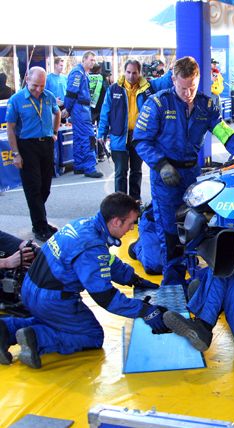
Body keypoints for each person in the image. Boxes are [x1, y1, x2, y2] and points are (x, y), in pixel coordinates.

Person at [133, 56, 234, 286]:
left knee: (193, 224)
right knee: (169, 230)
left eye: (192, 87)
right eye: (183, 88)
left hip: (191, 174)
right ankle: (172, 282)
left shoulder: (207, 105)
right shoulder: (158, 104)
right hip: (165, 176)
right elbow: (141, 140)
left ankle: (187, 266)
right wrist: (161, 165)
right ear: (173, 79)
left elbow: (223, 132)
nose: (188, 94)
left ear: (198, 79)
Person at [0, 193, 168, 369]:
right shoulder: (92, 248)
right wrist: (145, 311)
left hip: (29, 288)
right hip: (52, 300)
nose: (131, 228)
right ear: (116, 222)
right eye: (131, 223)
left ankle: (6, 329)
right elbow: (106, 298)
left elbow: (107, 260)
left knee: (58, 323)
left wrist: (132, 278)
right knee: (91, 335)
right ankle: (36, 338)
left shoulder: (84, 225)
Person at [98, 59, 173, 202]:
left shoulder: (149, 87)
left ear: (140, 73)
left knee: (136, 171)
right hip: (119, 137)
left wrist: (173, 70)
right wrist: (101, 132)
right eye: (128, 72)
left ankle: (135, 202)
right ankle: (120, 204)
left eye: (134, 73)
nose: (131, 76)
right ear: (124, 72)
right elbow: (105, 112)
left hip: (139, 138)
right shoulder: (113, 89)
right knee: (120, 172)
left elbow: (165, 82)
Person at [6, 67, 61, 242]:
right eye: (35, 85)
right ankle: (40, 226)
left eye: (42, 86)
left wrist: (55, 132)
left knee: (45, 187)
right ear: (27, 79)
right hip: (27, 146)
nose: (38, 89)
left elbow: (57, 112)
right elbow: (10, 128)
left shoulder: (48, 96)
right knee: (33, 188)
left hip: (46, 144)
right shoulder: (16, 100)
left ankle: (40, 219)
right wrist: (16, 154)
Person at [64, 51, 103, 178]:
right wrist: (67, 109)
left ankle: (79, 165)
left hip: (81, 108)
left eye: (94, 60)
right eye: (91, 60)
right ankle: (89, 167)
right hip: (80, 108)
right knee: (88, 137)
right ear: (84, 59)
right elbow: (71, 93)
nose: (93, 62)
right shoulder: (78, 73)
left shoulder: (83, 73)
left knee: (79, 137)